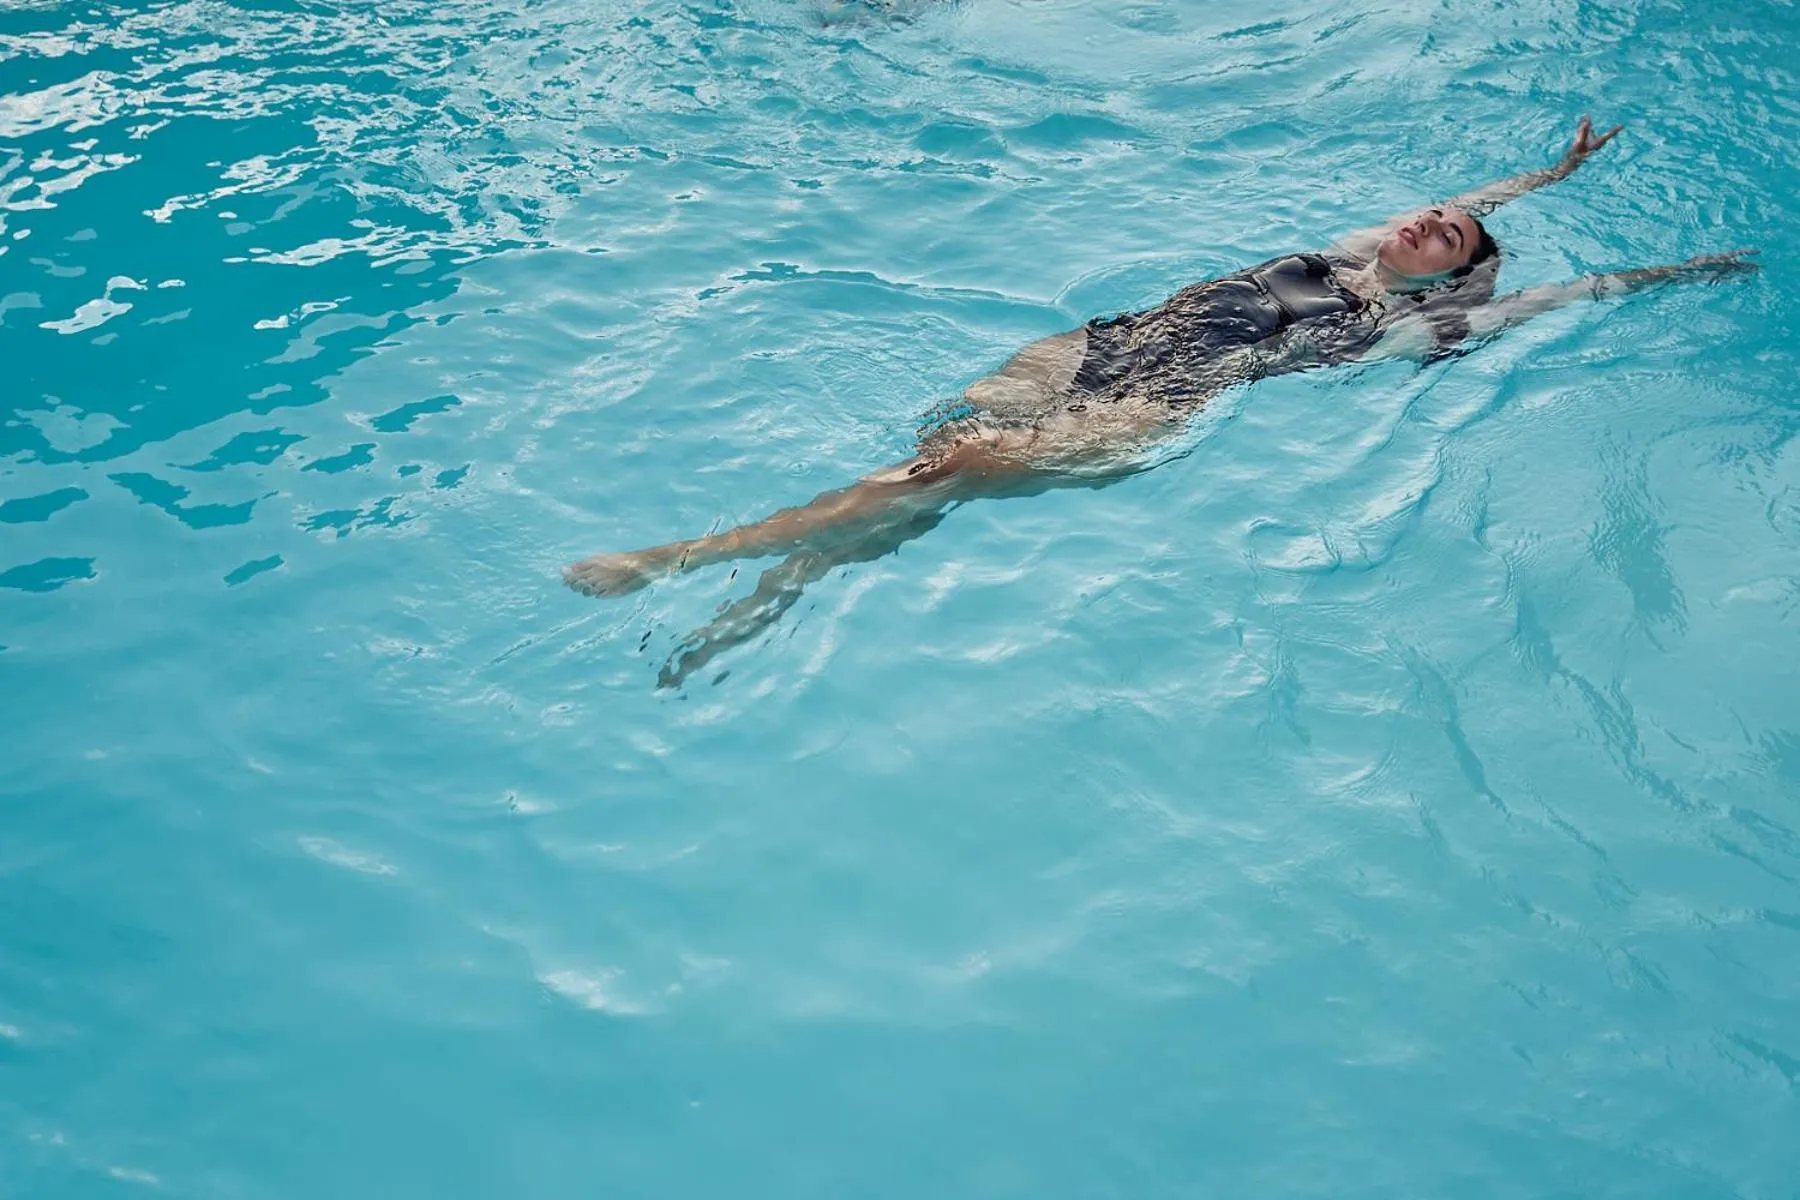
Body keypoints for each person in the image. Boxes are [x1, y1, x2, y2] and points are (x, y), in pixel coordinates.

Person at [566, 116, 1758, 686]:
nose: (1425, 221)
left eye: (1446, 234)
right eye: (1429, 212)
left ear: (1457, 273)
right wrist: (1549, 174)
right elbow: (1476, 189)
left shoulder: (1417, 320)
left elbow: (1564, 296)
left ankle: (682, 559)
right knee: (933, 464)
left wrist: (1678, 272)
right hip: (1096, 346)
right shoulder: (1353, 255)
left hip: (1160, 401)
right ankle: (768, 598)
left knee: (935, 475)